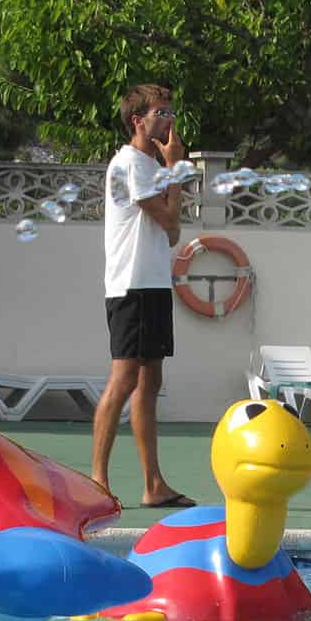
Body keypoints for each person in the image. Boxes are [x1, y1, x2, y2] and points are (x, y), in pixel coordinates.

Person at [92, 84, 194, 509]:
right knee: (124, 379)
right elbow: (169, 216)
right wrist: (175, 170)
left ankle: (153, 484)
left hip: (153, 284)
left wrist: (172, 173)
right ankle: (97, 481)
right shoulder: (131, 164)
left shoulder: (153, 167)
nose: (169, 119)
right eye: (160, 112)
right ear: (138, 120)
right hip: (130, 286)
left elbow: (172, 232)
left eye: (171, 111)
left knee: (150, 382)